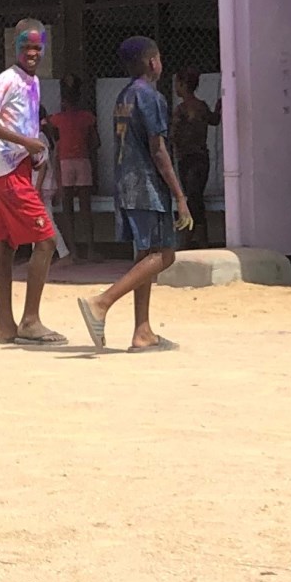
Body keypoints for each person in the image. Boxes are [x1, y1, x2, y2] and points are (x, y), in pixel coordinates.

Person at [76, 37, 193, 352]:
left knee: (145, 254)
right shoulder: (151, 97)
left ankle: (143, 331)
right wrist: (180, 196)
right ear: (153, 62)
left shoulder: (123, 96)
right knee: (164, 254)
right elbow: (158, 150)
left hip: (125, 183)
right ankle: (102, 302)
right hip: (147, 186)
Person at [0, 21, 65, 346]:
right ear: (14, 47)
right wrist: (25, 143)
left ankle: (5, 325)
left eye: (37, 47)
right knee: (47, 240)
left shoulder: (33, 81)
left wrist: (33, 152)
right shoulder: (8, 79)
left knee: (5, 245)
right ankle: (30, 321)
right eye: (26, 46)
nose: (32, 53)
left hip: (16, 167)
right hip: (9, 169)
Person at [48, 76, 99, 261]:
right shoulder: (87, 117)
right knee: (85, 207)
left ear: (63, 99)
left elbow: (53, 140)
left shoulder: (56, 119)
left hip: (65, 162)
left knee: (67, 207)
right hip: (82, 160)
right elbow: (95, 142)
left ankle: (73, 251)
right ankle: (91, 249)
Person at [170, 68, 221, 249]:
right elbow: (214, 120)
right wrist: (219, 107)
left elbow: (173, 134)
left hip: (187, 159)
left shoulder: (181, 110)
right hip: (201, 158)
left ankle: (192, 236)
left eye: (177, 84)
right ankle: (199, 236)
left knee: (193, 197)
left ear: (183, 85)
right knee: (195, 196)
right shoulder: (201, 106)